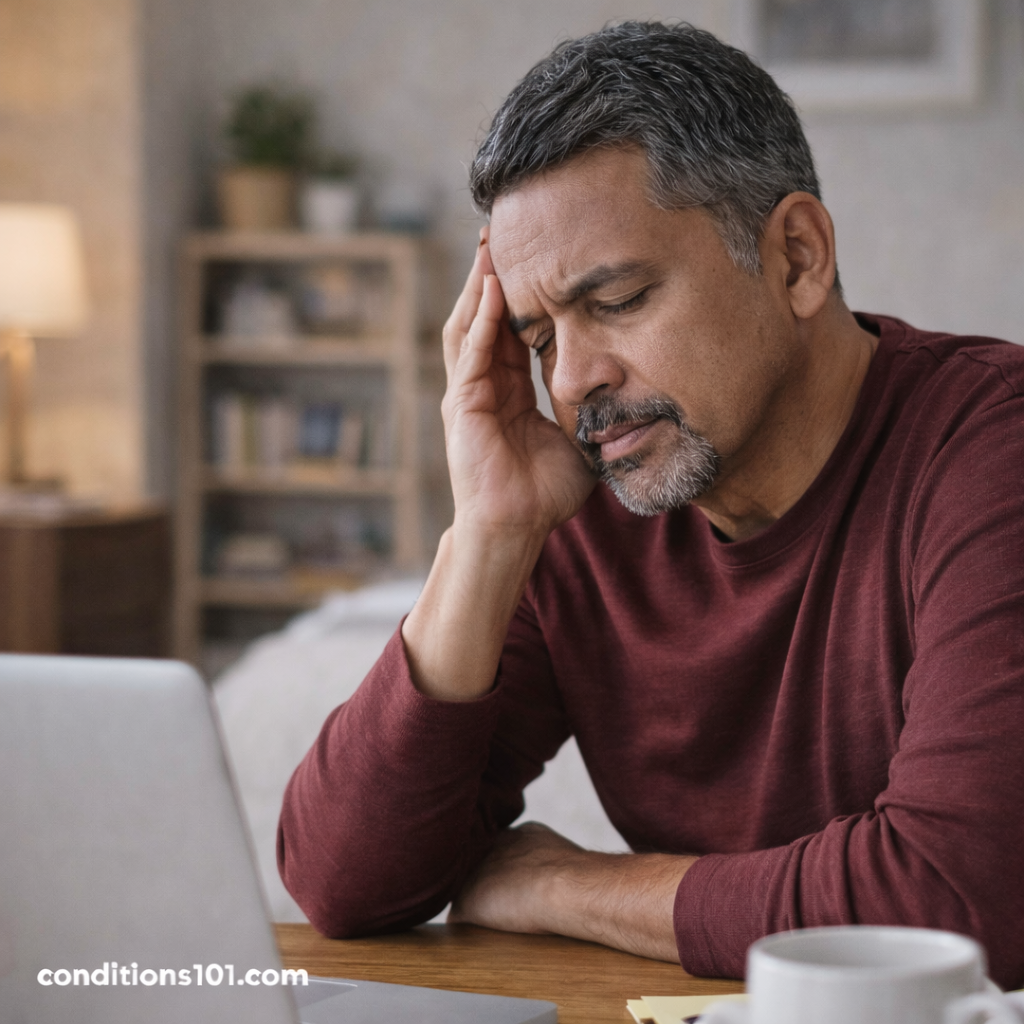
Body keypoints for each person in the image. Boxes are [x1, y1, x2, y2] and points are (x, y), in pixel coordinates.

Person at [277, 22, 1024, 986]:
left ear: (797, 257)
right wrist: (487, 536)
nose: (576, 380)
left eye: (620, 300)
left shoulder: (992, 454)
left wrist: (565, 888)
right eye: (539, 337)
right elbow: (343, 883)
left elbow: (958, 899)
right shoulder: (590, 498)